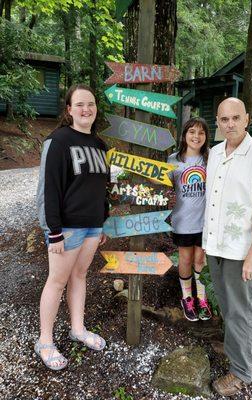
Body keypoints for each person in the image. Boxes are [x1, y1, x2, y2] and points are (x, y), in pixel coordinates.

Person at [203, 98, 252, 396]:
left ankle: (241, 373)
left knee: (242, 311)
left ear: (247, 119)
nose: (230, 124)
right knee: (229, 307)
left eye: (236, 118)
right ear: (218, 122)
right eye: (224, 119)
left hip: (241, 252)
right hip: (215, 246)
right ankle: (242, 352)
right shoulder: (214, 153)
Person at [35, 84, 110, 370]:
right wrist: (53, 230)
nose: (86, 109)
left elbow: (101, 188)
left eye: (90, 104)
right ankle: (45, 341)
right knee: (57, 281)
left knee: (79, 276)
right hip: (66, 228)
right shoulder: (58, 141)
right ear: (69, 109)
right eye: (79, 104)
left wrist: (101, 220)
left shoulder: (99, 145)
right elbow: (49, 190)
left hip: (92, 227)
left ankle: (78, 329)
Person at [168, 117, 211, 322]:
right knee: (185, 259)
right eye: (192, 131)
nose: (196, 136)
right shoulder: (173, 159)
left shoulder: (211, 158)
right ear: (184, 135)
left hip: (205, 222)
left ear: (206, 137)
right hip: (183, 221)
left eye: (201, 133)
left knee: (200, 259)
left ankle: (202, 298)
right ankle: (187, 297)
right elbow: (160, 183)